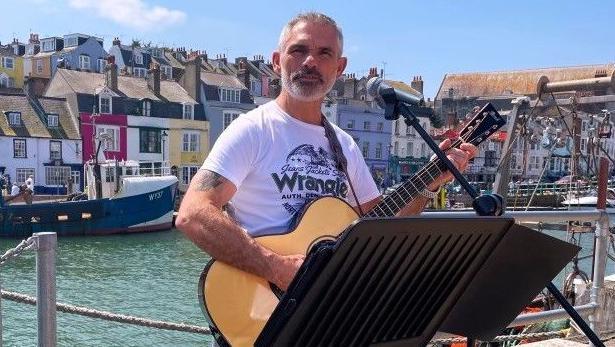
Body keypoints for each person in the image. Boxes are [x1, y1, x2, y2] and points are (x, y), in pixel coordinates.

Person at [176, 12, 477, 291]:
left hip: (324, 306)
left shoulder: (344, 145)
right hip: (260, 302)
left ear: (340, 67)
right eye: (299, 50)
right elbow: (193, 214)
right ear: (277, 61)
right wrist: (277, 267)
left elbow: (379, 226)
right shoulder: (253, 129)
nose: (310, 62)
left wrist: (429, 183)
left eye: (324, 53)